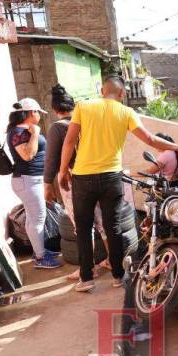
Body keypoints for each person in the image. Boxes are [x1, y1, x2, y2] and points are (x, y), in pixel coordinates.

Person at [59, 75, 178, 292]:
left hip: (83, 177)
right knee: (113, 228)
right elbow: (150, 139)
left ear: (102, 91)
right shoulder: (126, 112)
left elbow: (69, 140)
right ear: (122, 94)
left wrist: (63, 170)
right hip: (112, 177)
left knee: (83, 229)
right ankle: (118, 276)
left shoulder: (83, 107)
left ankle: (86, 279)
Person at [43, 84, 110, 281]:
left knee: (82, 226)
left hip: (73, 180)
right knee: (103, 221)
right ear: (74, 106)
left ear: (55, 110)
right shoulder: (88, 123)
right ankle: (113, 261)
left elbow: (51, 160)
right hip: (98, 176)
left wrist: (47, 184)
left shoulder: (58, 128)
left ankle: (87, 270)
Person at [7, 98, 63, 269]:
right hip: (28, 180)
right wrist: (36, 134)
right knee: (38, 219)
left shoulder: (24, 130)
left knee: (33, 219)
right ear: (31, 113)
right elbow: (27, 155)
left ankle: (39, 252)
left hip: (31, 180)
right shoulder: (19, 132)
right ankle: (40, 257)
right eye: (38, 112)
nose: (39, 115)